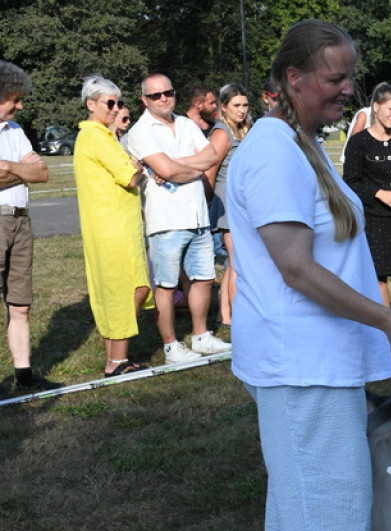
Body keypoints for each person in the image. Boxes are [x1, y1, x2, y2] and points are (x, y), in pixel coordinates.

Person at [226, 19, 391, 531]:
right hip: (299, 356)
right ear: (293, 77)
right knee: (334, 489)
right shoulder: (272, 152)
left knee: (301, 479)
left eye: (350, 77)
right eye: (335, 77)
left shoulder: (301, 142)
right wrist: (390, 318)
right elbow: (295, 265)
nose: (349, 89)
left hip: (315, 353)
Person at [121, 73, 231, 363]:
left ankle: (201, 336)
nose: (163, 98)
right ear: (144, 100)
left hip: (198, 215)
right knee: (167, 286)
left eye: (167, 92)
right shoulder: (140, 131)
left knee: (205, 278)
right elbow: (167, 170)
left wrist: (175, 164)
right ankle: (171, 346)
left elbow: (210, 156)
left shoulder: (185, 124)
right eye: (155, 95)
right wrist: (175, 167)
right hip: (166, 219)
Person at [72, 75, 152, 377]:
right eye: (109, 102)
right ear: (91, 105)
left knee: (115, 290)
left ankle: (115, 356)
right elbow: (130, 175)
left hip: (112, 225)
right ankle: (116, 361)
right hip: (113, 227)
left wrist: (133, 167)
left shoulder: (100, 136)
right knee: (132, 289)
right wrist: (138, 168)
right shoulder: (95, 136)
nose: (115, 108)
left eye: (118, 102)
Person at [342, 82, 391, 321]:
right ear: (375, 107)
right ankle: (388, 328)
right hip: (374, 218)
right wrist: (377, 193)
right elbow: (350, 181)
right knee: (379, 276)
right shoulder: (358, 143)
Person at [0, 60, 58, 391]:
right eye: (14, 98)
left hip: (22, 222)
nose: (20, 105)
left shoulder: (17, 131)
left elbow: (43, 174)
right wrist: (22, 169)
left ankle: (24, 374)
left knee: (20, 303)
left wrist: (7, 166)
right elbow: (29, 172)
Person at [205, 83, 253, 330]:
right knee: (238, 261)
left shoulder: (244, 130)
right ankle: (236, 316)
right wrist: (210, 204)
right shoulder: (222, 133)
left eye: (245, 105)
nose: (242, 110)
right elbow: (209, 173)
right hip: (227, 206)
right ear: (223, 107)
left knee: (234, 262)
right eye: (236, 105)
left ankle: (225, 315)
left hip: (243, 205)